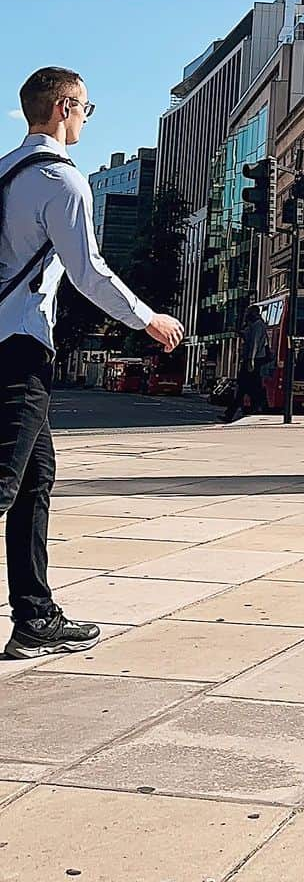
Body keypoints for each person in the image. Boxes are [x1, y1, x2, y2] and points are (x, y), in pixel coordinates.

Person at [0, 68, 184, 659]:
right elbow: (88, 270)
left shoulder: (5, 170)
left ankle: (34, 616)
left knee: (35, 478)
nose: (85, 118)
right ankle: (34, 615)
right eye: (85, 109)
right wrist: (146, 317)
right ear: (63, 108)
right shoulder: (60, 180)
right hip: (20, 348)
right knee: (6, 482)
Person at [223, 302, 271, 422]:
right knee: (247, 388)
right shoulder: (253, 325)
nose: (247, 314)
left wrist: (251, 360)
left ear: (255, 313)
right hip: (250, 360)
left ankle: (241, 412)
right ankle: (247, 411)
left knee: (247, 388)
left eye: (249, 312)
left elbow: (254, 344)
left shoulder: (258, 325)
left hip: (253, 360)